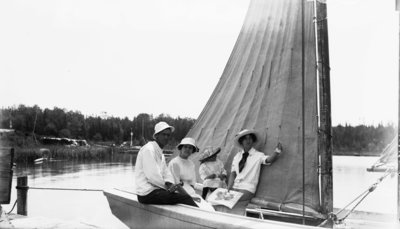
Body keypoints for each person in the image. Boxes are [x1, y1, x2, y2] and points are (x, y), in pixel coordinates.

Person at [134, 121, 197, 207]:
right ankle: (199, 217)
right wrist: (168, 188)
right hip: (146, 193)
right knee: (185, 198)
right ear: (156, 136)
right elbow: (153, 176)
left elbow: (166, 173)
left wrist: (170, 184)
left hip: (156, 190)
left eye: (168, 135)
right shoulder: (149, 150)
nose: (166, 137)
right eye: (164, 134)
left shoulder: (161, 154)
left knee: (182, 197)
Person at [224, 129, 282, 215]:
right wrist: (229, 186)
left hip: (247, 188)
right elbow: (233, 173)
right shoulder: (237, 156)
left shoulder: (258, 155)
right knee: (222, 200)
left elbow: (268, 160)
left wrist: (277, 152)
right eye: (245, 139)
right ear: (241, 141)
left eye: (250, 138)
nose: (248, 141)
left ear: (253, 140)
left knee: (229, 199)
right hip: (235, 186)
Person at [168, 137, 215, 211]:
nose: (187, 149)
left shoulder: (191, 164)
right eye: (185, 147)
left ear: (192, 150)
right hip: (179, 194)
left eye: (190, 148)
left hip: (191, 193)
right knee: (199, 210)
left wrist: (206, 187)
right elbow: (176, 185)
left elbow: (192, 183)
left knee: (209, 209)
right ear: (181, 148)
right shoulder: (174, 163)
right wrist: (188, 198)